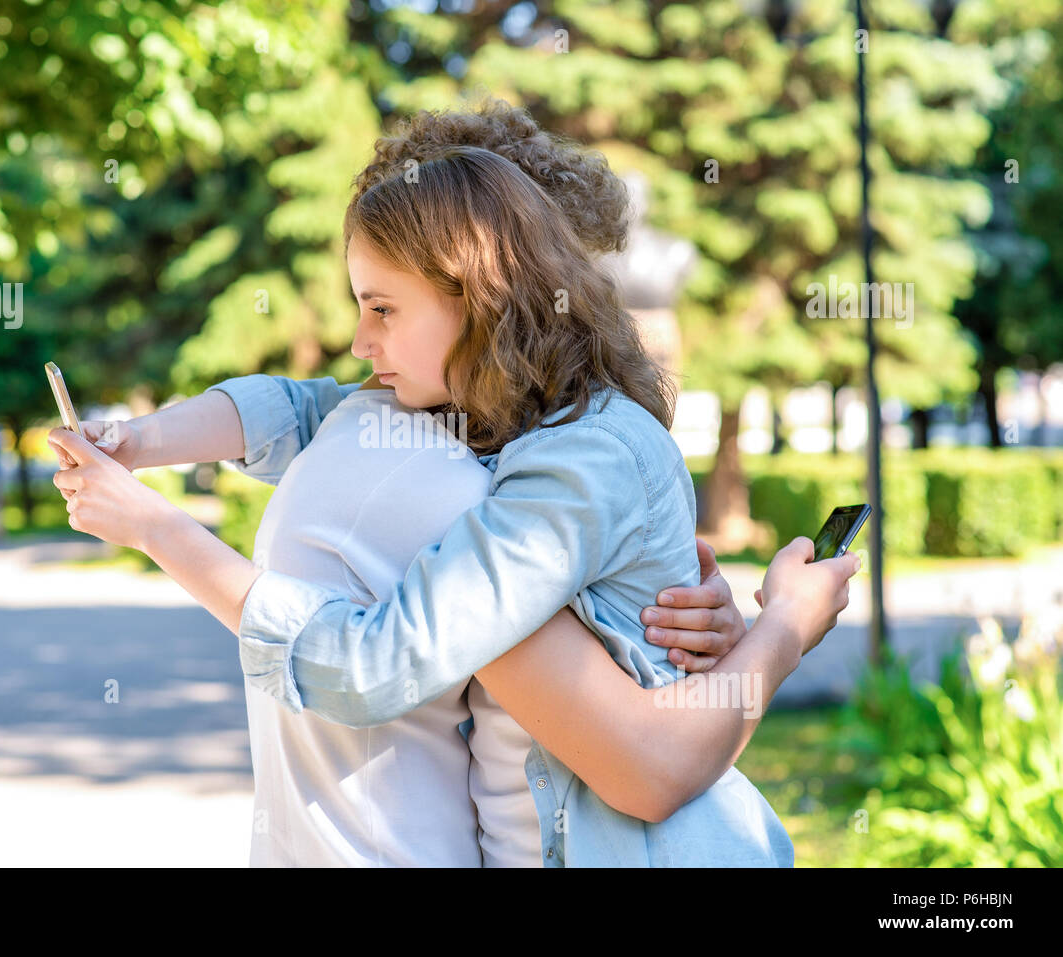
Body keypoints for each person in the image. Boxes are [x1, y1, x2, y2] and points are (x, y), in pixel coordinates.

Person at [47, 101, 860, 866]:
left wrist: (156, 528)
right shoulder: (478, 417)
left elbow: (377, 663)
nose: (360, 340)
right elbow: (300, 409)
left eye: (383, 309)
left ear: (480, 296)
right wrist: (136, 440)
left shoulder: (580, 461)